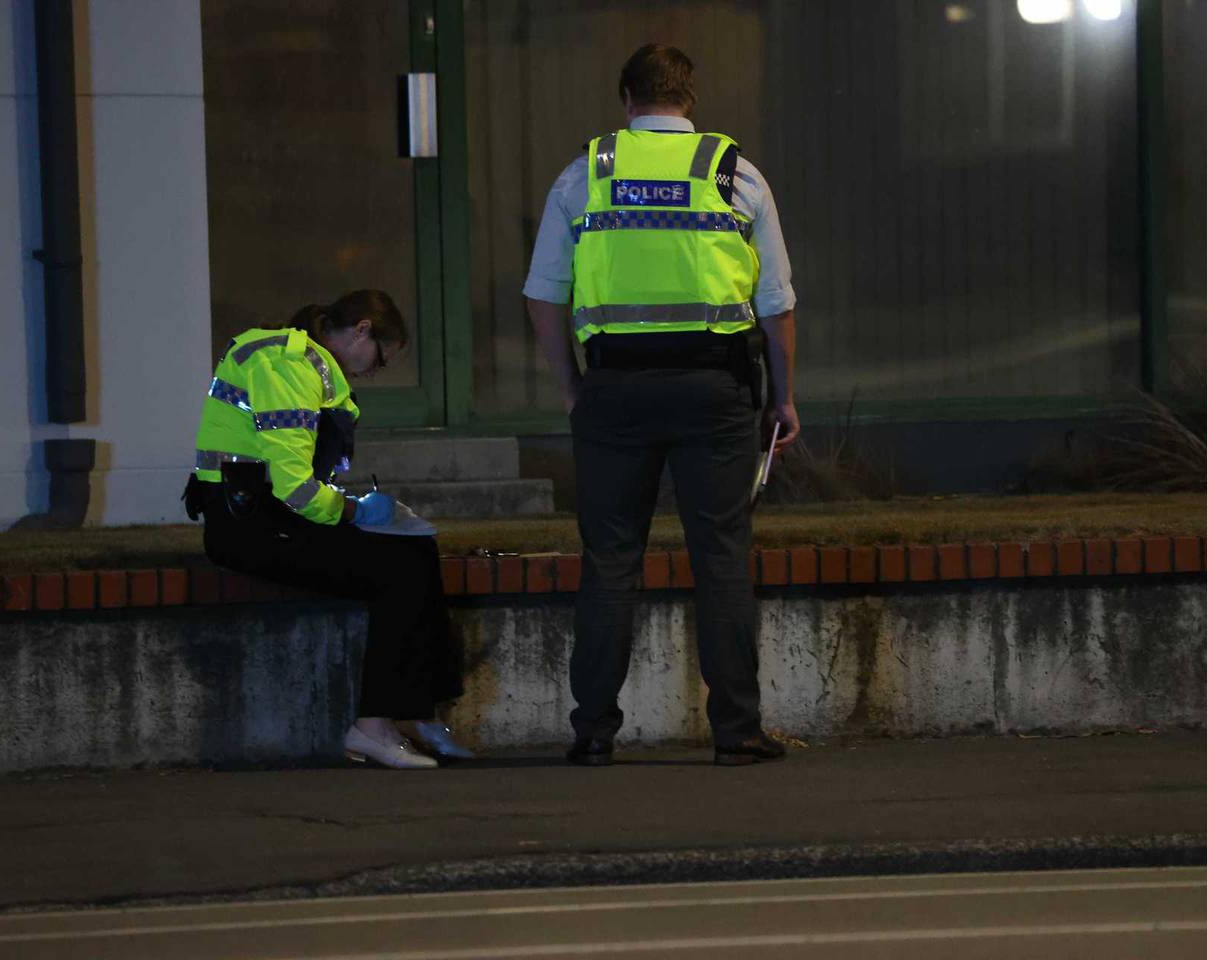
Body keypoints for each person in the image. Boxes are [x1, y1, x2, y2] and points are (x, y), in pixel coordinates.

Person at [523, 44, 800, 766]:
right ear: (690, 99)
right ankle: (736, 731)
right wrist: (784, 398)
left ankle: (592, 732)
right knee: (722, 558)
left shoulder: (587, 173)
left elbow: (543, 295)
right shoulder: (734, 174)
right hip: (716, 392)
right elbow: (775, 307)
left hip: (614, 391)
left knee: (611, 560)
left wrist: (571, 387)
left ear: (626, 99)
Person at [183, 289, 472, 769]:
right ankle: (374, 728)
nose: (376, 370)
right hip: (248, 530)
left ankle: (421, 713)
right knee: (396, 569)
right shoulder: (289, 365)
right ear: (362, 331)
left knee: (417, 549)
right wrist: (360, 514)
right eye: (381, 357)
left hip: (266, 517)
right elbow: (295, 489)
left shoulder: (305, 364)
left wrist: (368, 513)